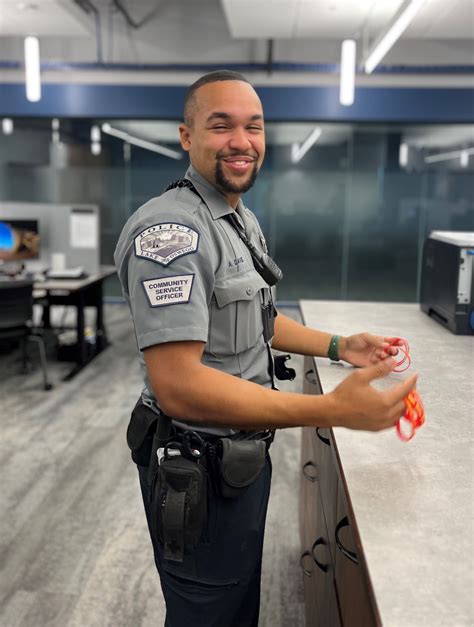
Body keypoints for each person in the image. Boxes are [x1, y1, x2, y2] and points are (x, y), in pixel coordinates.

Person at [114, 70, 417, 627]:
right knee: (208, 608)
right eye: (220, 124)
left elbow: (257, 319)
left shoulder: (237, 219)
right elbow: (178, 385)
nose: (242, 140)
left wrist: (339, 344)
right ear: (187, 137)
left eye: (253, 126)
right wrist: (330, 410)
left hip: (240, 457)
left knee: (235, 601)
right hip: (195, 462)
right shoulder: (171, 234)